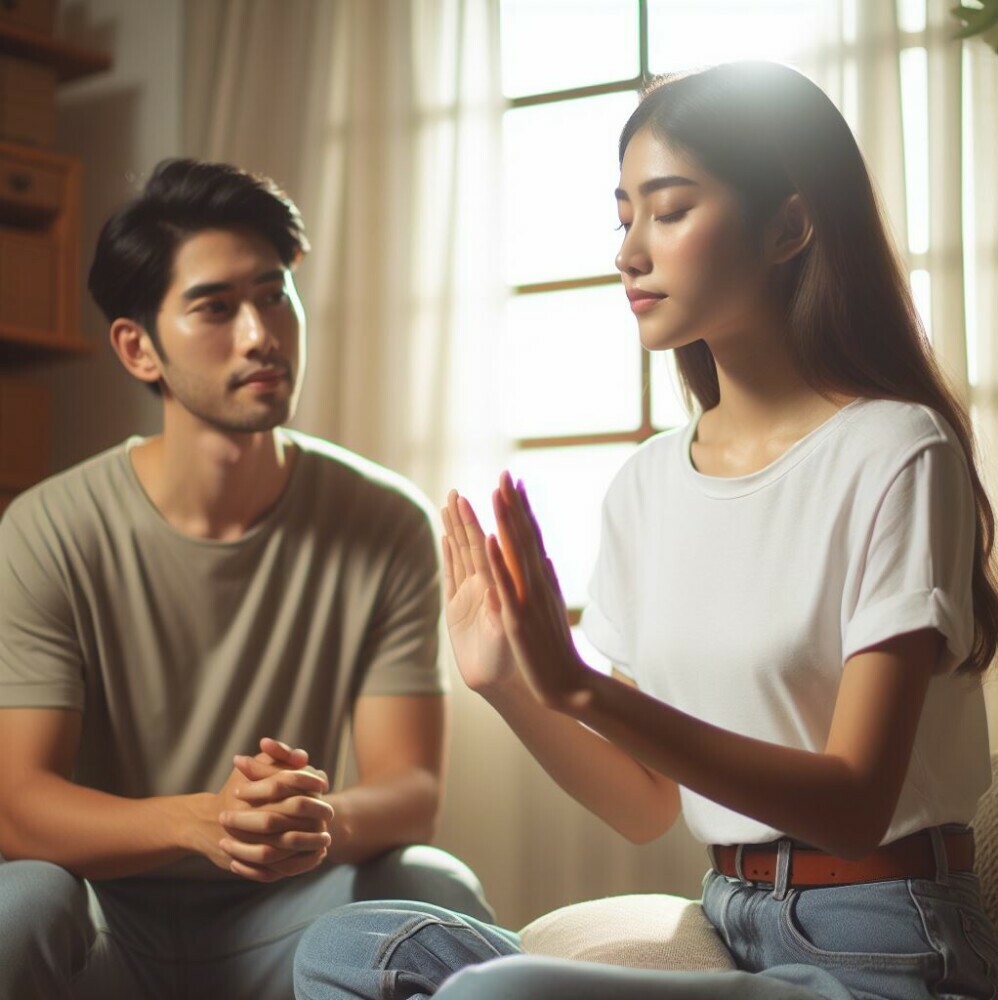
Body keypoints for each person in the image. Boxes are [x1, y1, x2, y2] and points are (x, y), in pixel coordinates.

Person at [293, 60, 998, 1000]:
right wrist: (510, 683)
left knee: (492, 993)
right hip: (729, 920)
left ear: (789, 226)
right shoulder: (647, 487)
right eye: (623, 214)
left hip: (882, 942)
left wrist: (584, 689)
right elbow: (640, 803)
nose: (630, 250)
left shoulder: (897, 453)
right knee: (345, 948)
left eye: (668, 211)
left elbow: (860, 803)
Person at [0, 159, 492, 1000]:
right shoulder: (49, 530)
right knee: (22, 904)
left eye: (273, 295)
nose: (261, 333)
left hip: (293, 915)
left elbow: (410, 789)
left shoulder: (385, 520)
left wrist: (313, 820)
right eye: (215, 307)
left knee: (432, 885)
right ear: (137, 348)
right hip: (109, 923)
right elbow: (19, 806)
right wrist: (203, 821)